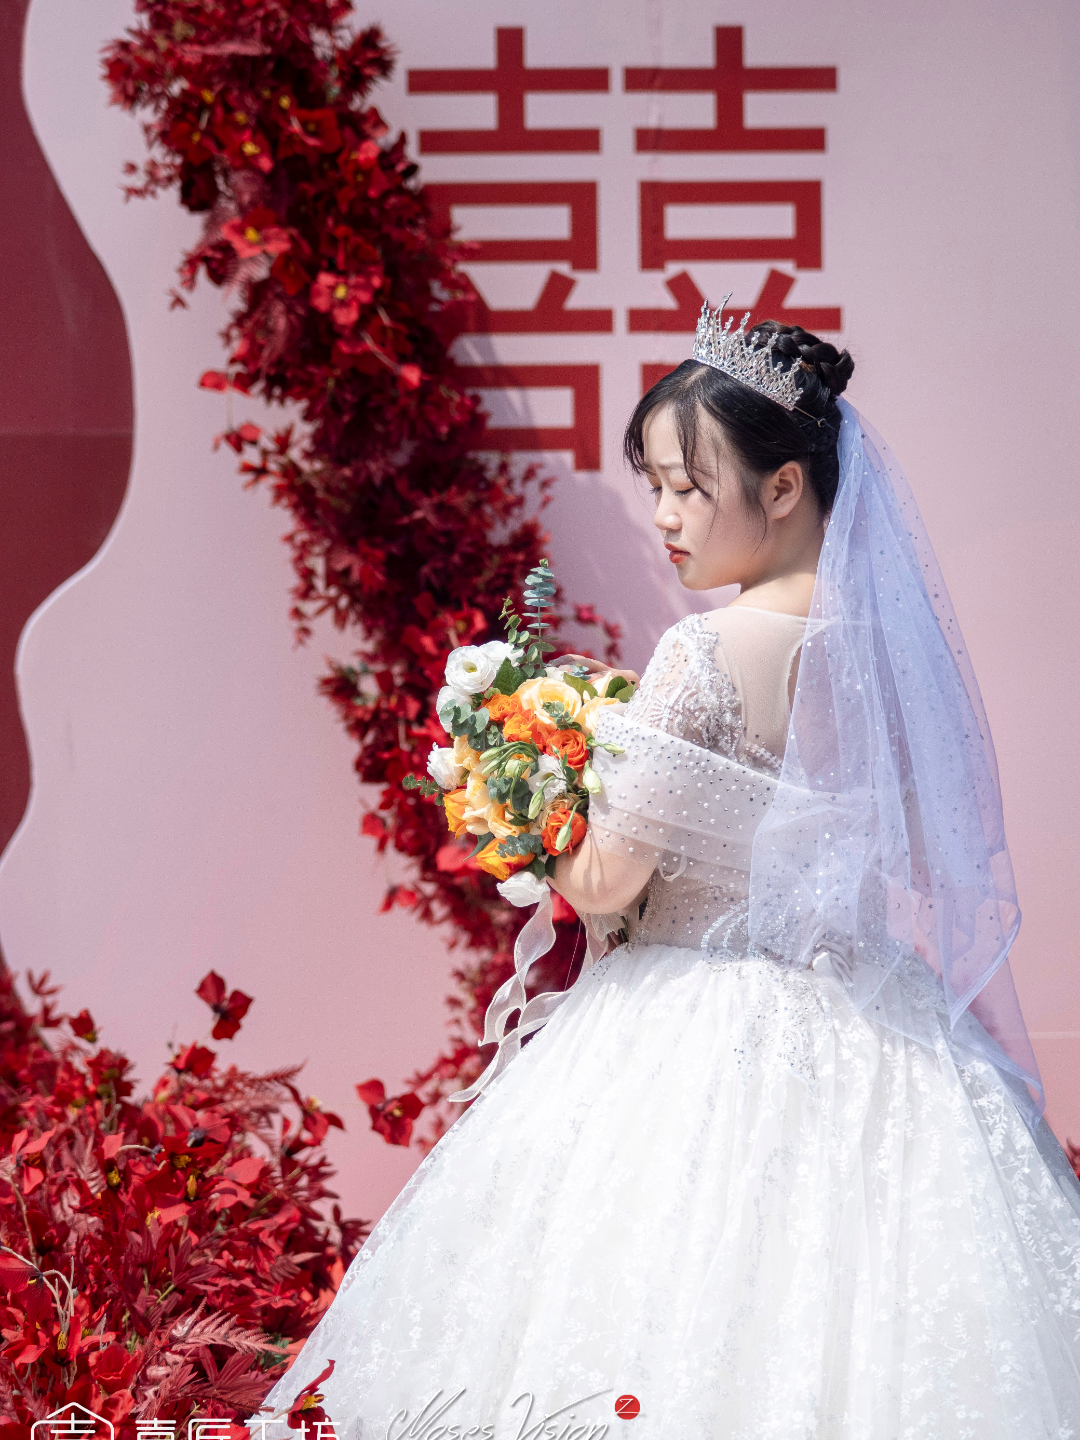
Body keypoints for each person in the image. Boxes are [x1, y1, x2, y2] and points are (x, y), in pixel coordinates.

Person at [264, 310, 1080, 1439]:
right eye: (654, 487)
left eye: (688, 487)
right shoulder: (884, 654)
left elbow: (606, 881)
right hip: (877, 1019)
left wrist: (516, 802)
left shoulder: (703, 654)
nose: (662, 516)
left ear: (783, 487)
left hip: (688, 1023)